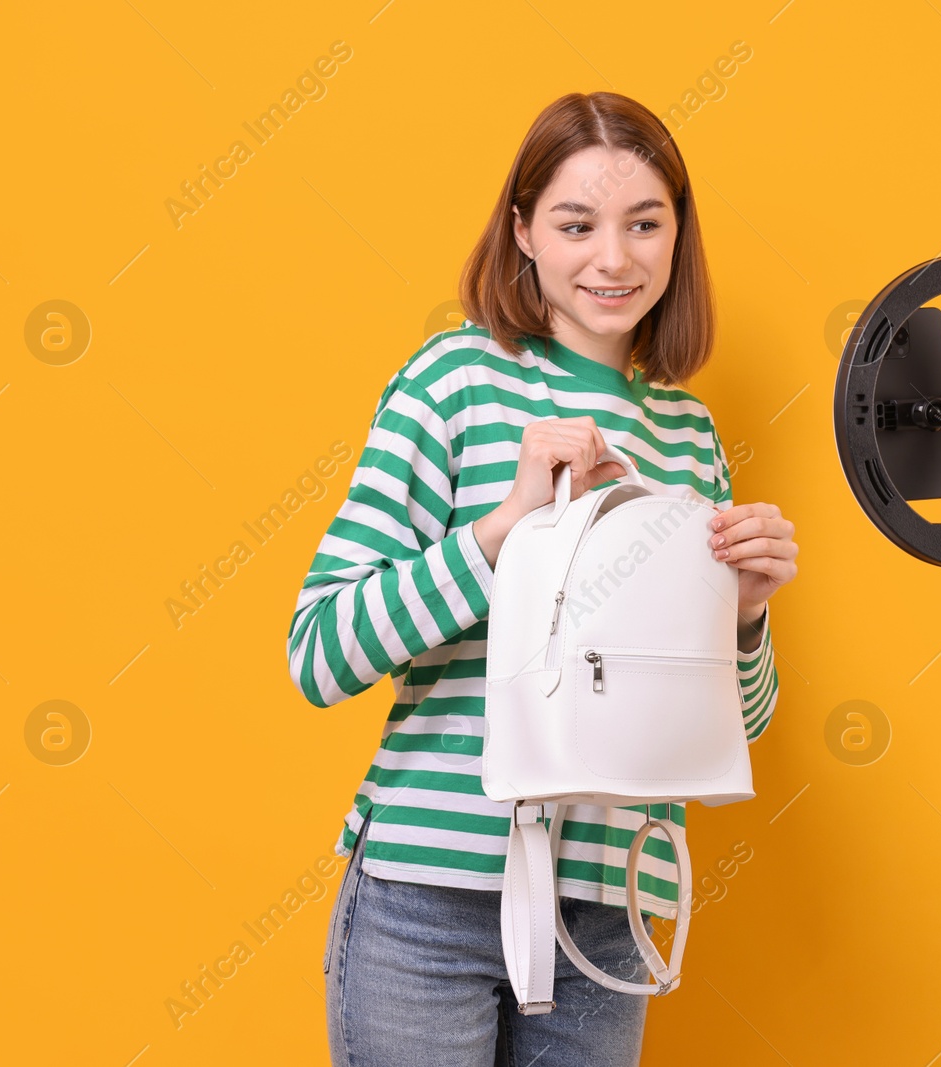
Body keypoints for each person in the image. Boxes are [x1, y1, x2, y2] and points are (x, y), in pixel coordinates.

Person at [286, 90, 798, 1067]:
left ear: (677, 239)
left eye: (645, 224)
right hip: (426, 901)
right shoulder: (452, 381)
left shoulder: (687, 436)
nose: (614, 258)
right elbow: (319, 651)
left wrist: (743, 617)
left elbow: (731, 724)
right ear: (522, 231)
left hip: (607, 914)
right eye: (576, 224)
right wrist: (501, 529)